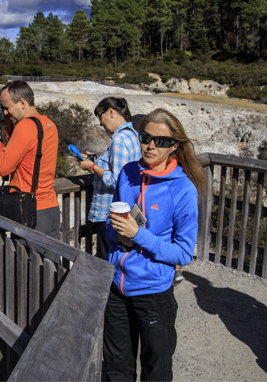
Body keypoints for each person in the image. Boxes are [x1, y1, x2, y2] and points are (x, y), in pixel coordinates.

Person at [103, 108, 205, 382]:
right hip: (117, 286)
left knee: (156, 369)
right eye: (146, 137)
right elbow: (108, 223)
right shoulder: (127, 173)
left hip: (153, 292)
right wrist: (117, 235)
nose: (150, 146)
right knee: (115, 366)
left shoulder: (182, 189)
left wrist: (137, 234)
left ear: (174, 146)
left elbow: (183, 252)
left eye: (160, 141)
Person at [0, 80, 60, 239]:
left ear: (22, 102)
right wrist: (7, 127)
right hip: (50, 208)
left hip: (30, 211)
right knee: (50, 263)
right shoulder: (48, 124)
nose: (5, 112)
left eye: (7, 107)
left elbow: (4, 168)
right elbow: (29, 155)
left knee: (26, 263)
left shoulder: (25, 126)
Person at [81, 96, 141, 256]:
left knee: (108, 259)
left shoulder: (119, 139)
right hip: (126, 209)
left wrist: (92, 167)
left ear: (111, 112)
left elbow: (116, 179)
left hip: (110, 212)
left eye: (101, 117)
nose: (101, 124)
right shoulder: (133, 134)